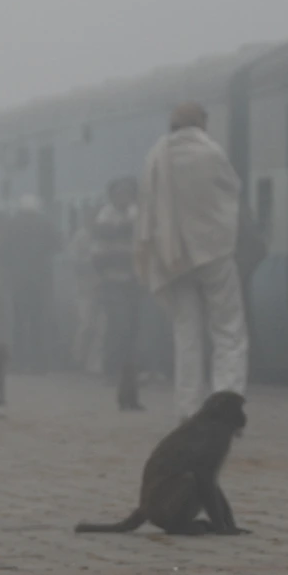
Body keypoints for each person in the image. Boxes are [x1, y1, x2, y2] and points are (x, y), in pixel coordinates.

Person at [136, 101, 248, 419]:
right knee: (228, 330)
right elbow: (231, 190)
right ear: (201, 123)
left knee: (186, 332)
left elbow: (148, 208)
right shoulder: (210, 152)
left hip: (173, 257)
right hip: (214, 252)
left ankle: (188, 410)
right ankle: (226, 407)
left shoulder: (155, 157)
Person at [2, 195, 61, 373]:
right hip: (39, 279)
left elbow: (2, 250)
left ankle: (19, 361)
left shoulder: (12, 224)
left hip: (19, 280)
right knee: (37, 320)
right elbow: (58, 244)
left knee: (19, 321)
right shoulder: (44, 224)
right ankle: (38, 362)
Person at [92, 177, 141, 383]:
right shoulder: (104, 217)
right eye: (121, 193)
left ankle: (129, 371)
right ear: (112, 196)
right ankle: (111, 369)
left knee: (132, 326)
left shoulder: (136, 214)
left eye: (128, 193)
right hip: (111, 280)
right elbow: (98, 250)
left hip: (133, 279)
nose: (125, 197)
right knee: (118, 324)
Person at [67, 203, 103, 374]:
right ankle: (77, 359)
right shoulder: (81, 236)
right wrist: (89, 264)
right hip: (84, 288)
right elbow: (73, 260)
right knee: (86, 324)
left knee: (101, 327)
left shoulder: (104, 234)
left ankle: (94, 364)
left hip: (102, 287)